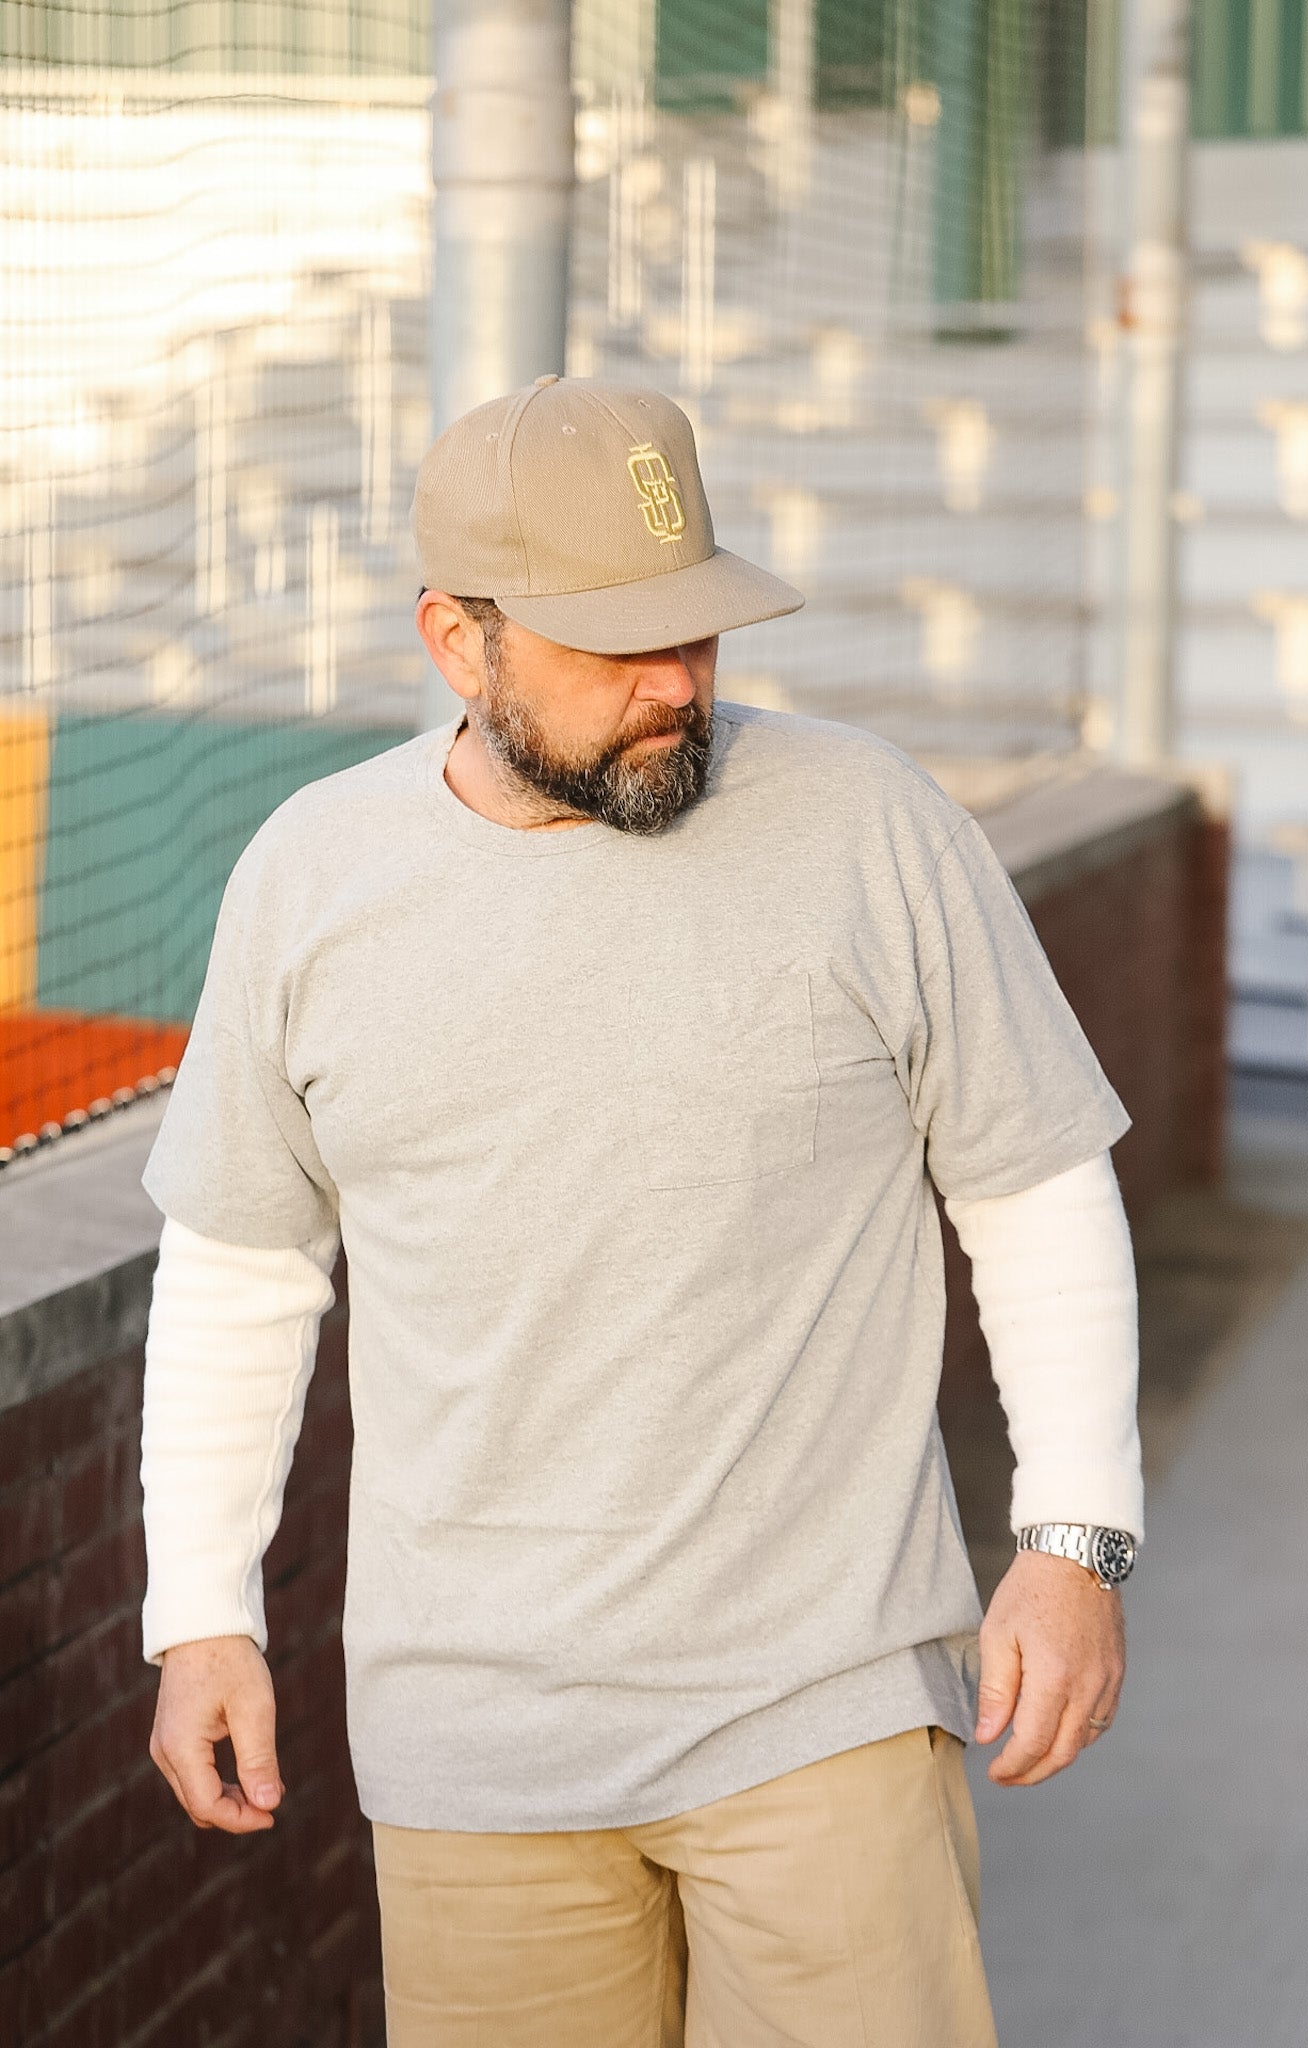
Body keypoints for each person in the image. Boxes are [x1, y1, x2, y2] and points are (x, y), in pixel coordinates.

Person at [141, 375, 1142, 2048]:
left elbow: (1031, 1181)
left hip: (820, 1700)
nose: (677, 681)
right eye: (618, 646)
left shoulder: (869, 825)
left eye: (699, 630)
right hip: (472, 1746)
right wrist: (199, 1616)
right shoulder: (308, 881)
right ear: (458, 639)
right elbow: (241, 1273)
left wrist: (1075, 1541)